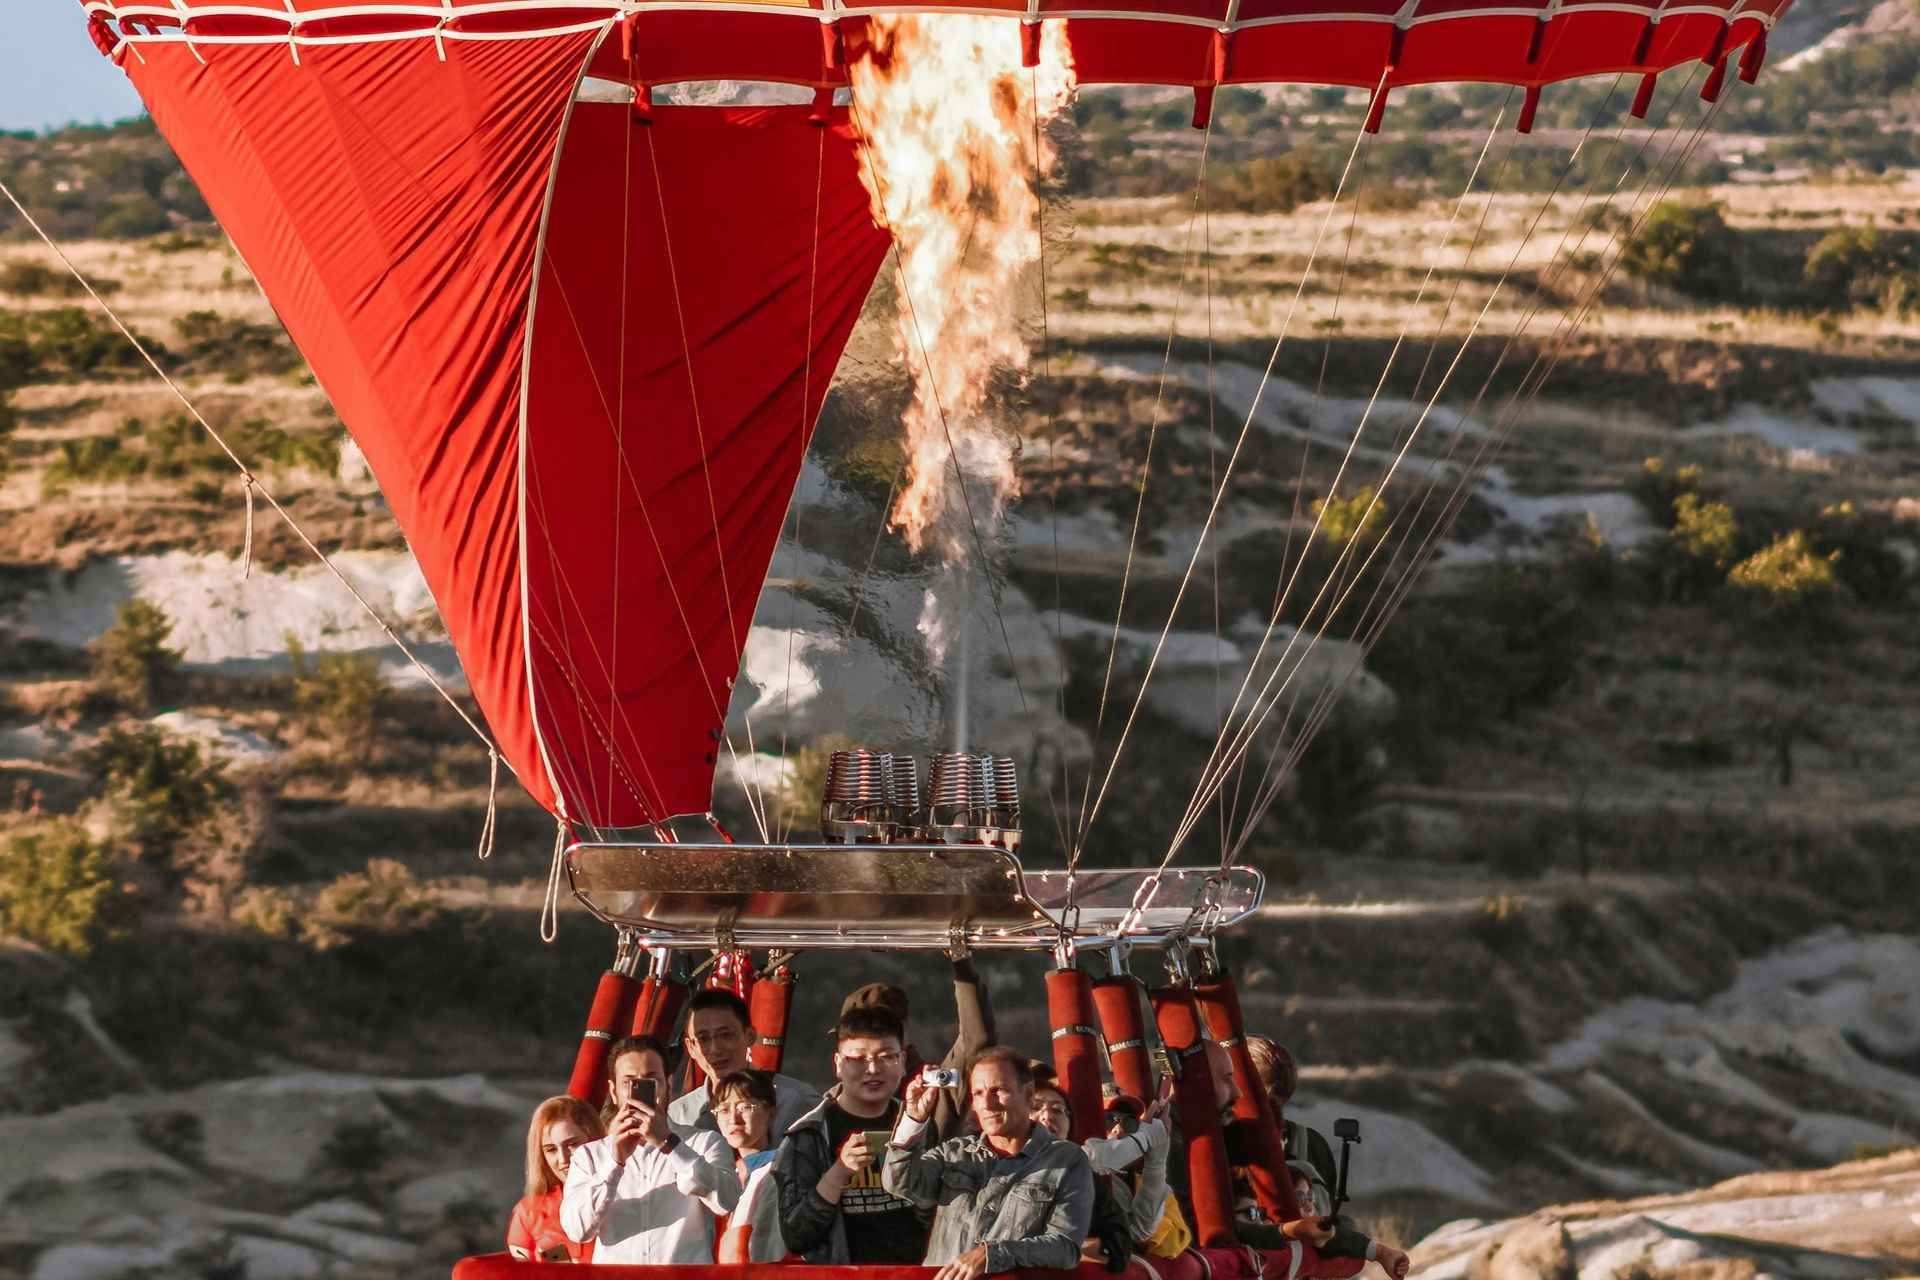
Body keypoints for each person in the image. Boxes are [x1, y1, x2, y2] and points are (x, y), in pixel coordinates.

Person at [883, 1045, 1095, 1279]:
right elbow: (899, 1182)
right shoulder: (955, 1152)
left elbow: (1064, 1248)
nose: (987, 1104)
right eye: (979, 1094)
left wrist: (992, 1254)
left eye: (998, 1090)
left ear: (1028, 1094)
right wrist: (913, 1117)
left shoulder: (1067, 1159)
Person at [561, 1034, 742, 1263]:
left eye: (650, 1080)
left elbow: (726, 1201)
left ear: (667, 1084)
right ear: (614, 1091)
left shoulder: (705, 1142)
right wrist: (614, 1163)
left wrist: (670, 1144)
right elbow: (578, 1231)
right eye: (629, 1082)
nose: (640, 1091)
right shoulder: (589, 1156)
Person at [774, 1005, 930, 1265]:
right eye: (857, 1059)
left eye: (886, 1057)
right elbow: (795, 1236)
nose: (872, 1069)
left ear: (903, 1062)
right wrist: (838, 1172)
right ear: (837, 1064)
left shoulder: (919, 1123)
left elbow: (935, 1216)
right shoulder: (809, 1136)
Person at [839, 948, 995, 1140]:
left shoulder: (934, 1086)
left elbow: (976, 1039)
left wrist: (962, 965)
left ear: (901, 1034)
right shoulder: (828, 1106)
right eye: (857, 1054)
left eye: (884, 1050)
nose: (871, 1067)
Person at [671, 988, 820, 1139]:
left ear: (750, 1036)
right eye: (703, 1039)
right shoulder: (678, 1116)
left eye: (725, 1035)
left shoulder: (797, 1100)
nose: (715, 1049)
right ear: (690, 1047)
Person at [508, 1095, 604, 1264]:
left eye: (572, 1144)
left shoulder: (628, 1196)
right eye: (551, 1149)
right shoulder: (529, 1211)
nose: (563, 1159)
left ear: (595, 1140)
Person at [713, 1068, 788, 1263]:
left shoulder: (780, 1168)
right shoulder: (721, 1172)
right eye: (724, 1110)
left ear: (771, 1112)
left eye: (744, 1107)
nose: (733, 1119)